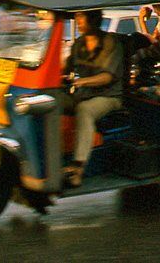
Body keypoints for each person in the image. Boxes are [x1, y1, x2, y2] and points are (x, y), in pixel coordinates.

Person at [59, 10, 125, 187]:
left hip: (108, 97)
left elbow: (107, 77)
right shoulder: (79, 43)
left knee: (85, 110)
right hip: (82, 94)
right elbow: (65, 69)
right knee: (51, 100)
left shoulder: (111, 42)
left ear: (94, 19)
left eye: (82, 17)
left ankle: (77, 168)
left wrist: (82, 82)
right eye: (77, 17)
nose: (78, 21)